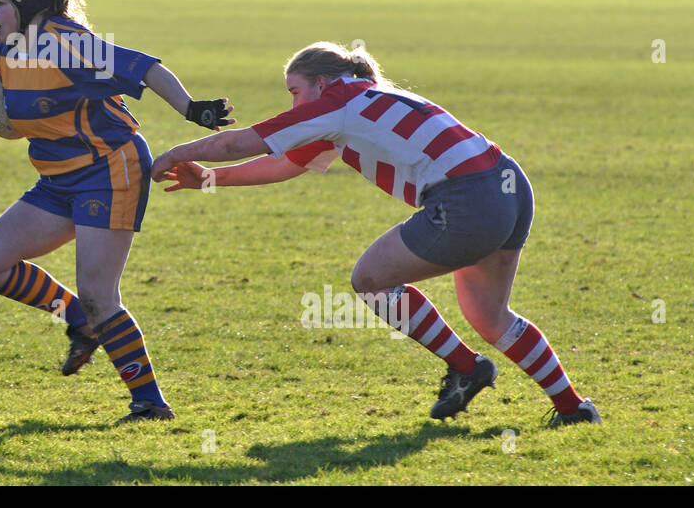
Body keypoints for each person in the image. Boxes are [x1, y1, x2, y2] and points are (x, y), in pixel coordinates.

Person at [150, 41, 600, 427]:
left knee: (370, 279)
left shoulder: (337, 106)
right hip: (508, 184)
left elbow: (238, 143)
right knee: (488, 315)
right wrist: (208, 179)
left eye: (294, 92)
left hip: (466, 198)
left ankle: (467, 368)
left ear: (322, 84)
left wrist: (174, 151)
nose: (292, 105)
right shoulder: (369, 98)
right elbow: (285, 164)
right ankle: (573, 408)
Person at [0, 0, 233, 423]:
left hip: (110, 169)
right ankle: (78, 321)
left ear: (24, 4)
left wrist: (192, 109)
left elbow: (145, 68)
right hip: (56, 178)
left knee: (98, 291)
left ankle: (149, 404)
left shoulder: (65, 41)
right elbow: (28, 113)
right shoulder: (8, 46)